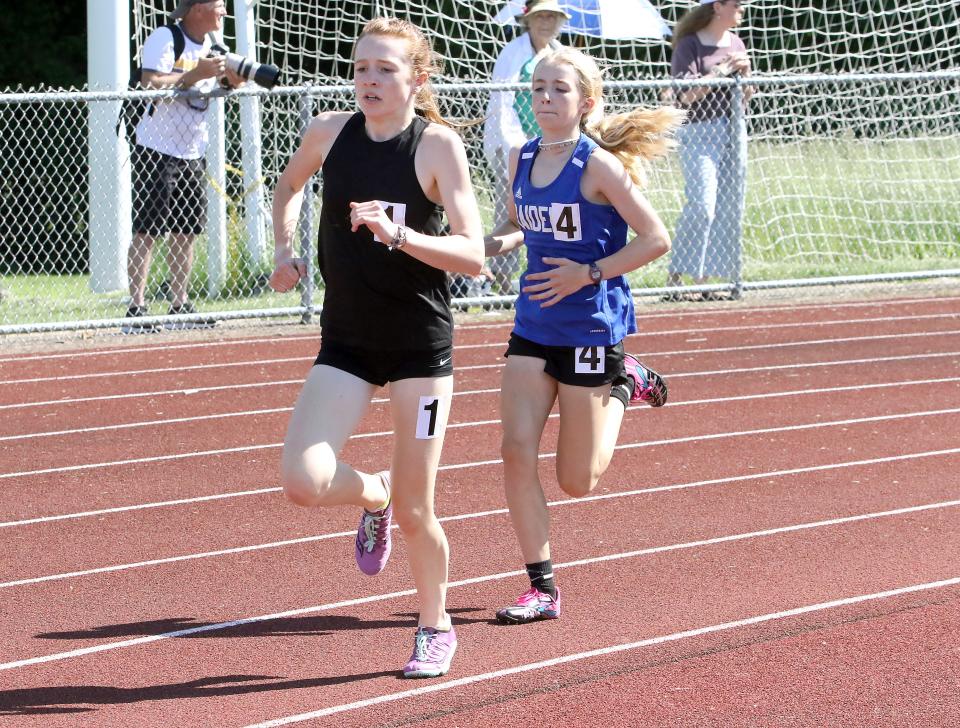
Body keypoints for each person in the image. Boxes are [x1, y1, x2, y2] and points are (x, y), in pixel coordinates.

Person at [268, 18, 484, 677]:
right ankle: (372, 495)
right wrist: (283, 249)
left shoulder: (437, 146)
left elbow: (473, 256)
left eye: (385, 70)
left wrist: (400, 236)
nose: (368, 79)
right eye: (361, 68)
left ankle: (434, 625)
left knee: (421, 512)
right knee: (302, 481)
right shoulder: (329, 133)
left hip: (420, 347)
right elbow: (288, 187)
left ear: (417, 81)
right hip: (349, 341)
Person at [483, 47, 681, 624]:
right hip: (533, 325)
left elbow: (655, 238)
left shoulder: (599, 166)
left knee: (577, 480)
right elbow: (517, 226)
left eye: (558, 89)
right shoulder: (521, 158)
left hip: (591, 327)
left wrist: (587, 272)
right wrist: (481, 248)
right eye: (538, 88)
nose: (544, 97)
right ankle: (541, 588)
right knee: (515, 450)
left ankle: (626, 383)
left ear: (585, 102)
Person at [123, 0, 242, 333]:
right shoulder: (166, 37)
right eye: (219, 5)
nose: (223, 12)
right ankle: (136, 309)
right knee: (148, 228)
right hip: (156, 146)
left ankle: (179, 303)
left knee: (186, 230)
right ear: (197, 8)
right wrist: (194, 74)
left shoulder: (216, 45)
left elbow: (218, 89)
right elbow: (149, 83)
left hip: (193, 149)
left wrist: (233, 82)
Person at [665, 0, 753, 302]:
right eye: (737, 4)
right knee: (703, 204)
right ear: (718, 7)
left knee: (729, 207)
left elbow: (744, 98)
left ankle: (706, 280)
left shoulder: (737, 42)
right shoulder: (689, 46)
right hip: (699, 132)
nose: (742, 9)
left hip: (732, 129)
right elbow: (685, 96)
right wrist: (721, 71)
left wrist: (746, 75)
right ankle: (676, 278)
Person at [482, 0, 569, 299]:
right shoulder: (513, 53)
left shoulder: (560, 54)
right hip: (514, 146)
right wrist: (514, 149)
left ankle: (541, 273)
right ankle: (501, 279)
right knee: (512, 213)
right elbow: (503, 103)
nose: (546, 22)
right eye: (540, 15)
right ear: (528, 19)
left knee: (547, 212)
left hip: (550, 147)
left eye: (552, 16)